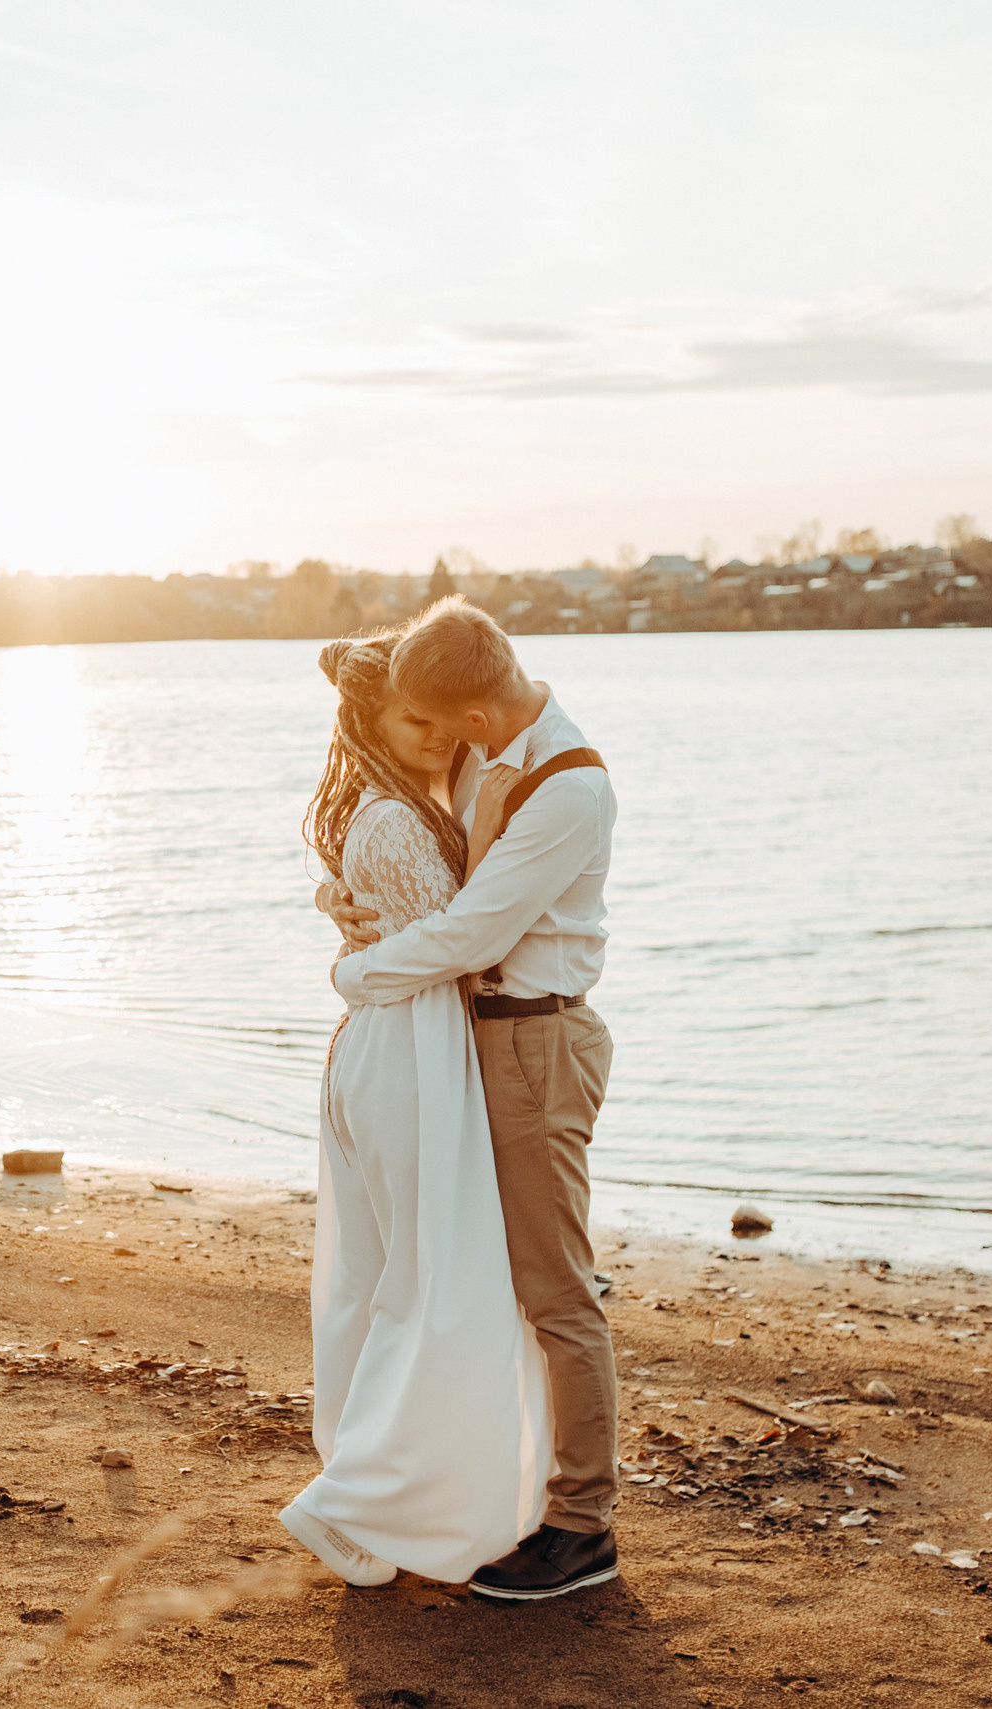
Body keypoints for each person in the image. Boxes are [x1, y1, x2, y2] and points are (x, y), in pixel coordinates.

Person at [319, 594, 621, 1602]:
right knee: (478, 1277)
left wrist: (355, 974)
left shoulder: (565, 787)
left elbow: (472, 932)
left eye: (448, 727)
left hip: (532, 1038)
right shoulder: (481, 741)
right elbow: (397, 808)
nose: (436, 743)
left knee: (553, 1290)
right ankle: (489, 1481)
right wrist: (338, 891)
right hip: (467, 1040)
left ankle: (582, 1526)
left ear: (478, 720)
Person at [275, 632, 553, 1590]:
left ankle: (364, 1500)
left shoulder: (405, 808)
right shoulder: (395, 821)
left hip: (399, 1044)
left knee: (385, 1278)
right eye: (413, 719)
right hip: (407, 1052)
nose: (436, 734)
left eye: (443, 715)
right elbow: (465, 940)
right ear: (370, 722)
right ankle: (348, 1501)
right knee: (425, 1283)